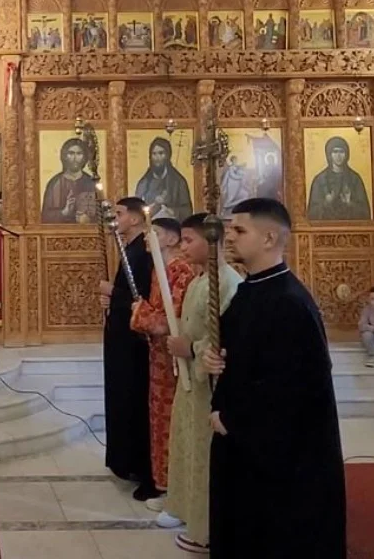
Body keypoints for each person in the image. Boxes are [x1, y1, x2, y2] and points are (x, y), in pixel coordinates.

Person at [203, 198, 345, 558]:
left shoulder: (289, 302)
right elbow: (238, 353)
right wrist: (214, 358)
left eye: (239, 230)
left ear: (269, 238)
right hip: (244, 444)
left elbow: (293, 388)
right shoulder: (250, 290)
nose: (228, 237)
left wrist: (232, 419)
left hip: (278, 456)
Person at [163, 213, 243, 554]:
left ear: (211, 240)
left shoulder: (227, 282)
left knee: (206, 454)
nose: (183, 247)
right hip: (191, 384)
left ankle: (207, 529)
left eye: (188, 239)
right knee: (190, 448)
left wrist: (191, 348)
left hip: (208, 382)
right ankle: (190, 514)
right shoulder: (199, 280)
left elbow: (225, 337)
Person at [130, 217, 195, 528]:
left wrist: (139, 313)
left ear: (171, 239)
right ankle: (165, 485)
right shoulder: (159, 269)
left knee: (172, 422)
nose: (148, 237)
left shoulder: (182, 271)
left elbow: (170, 321)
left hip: (176, 360)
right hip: (158, 358)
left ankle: (177, 492)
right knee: (159, 421)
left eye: (154, 232)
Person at [97, 197, 157, 498]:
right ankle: (126, 461)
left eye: (119, 214)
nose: (115, 218)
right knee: (122, 394)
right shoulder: (130, 248)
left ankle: (140, 465)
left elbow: (142, 298)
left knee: (134, 397)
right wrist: (114, 298)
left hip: (134, 341)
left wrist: (113, 292)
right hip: (122, 335)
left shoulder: (143, 251)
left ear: (134, 218)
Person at [307, 136, 371, 221]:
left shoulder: (354, 179)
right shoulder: (320, 180)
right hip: (326, 227)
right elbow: (311, 214)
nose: (338, 156)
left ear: (346, 154)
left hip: (350, 226)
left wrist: (349, 203)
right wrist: (326, 202)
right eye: (335, 152)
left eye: (341, 152)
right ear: (329, 154)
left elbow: (365, 213)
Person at [41, 138, 99, 223]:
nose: (75, 158)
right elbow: (45, 217)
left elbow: (102, 215)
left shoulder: (91, 182)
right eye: (71, 153)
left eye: (79, 153)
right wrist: (64, 212)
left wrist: (89, 220)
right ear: (65, 156)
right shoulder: (54, 183)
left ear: (84, 157)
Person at [135, 137, 194, 219]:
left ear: (167, 156)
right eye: (154, 154)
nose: (157, 158)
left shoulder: (178, 182)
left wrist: (172, 211)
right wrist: (155, 205)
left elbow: (187, 211)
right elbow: (136, 211)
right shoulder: (144, 183)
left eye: (161, 153)